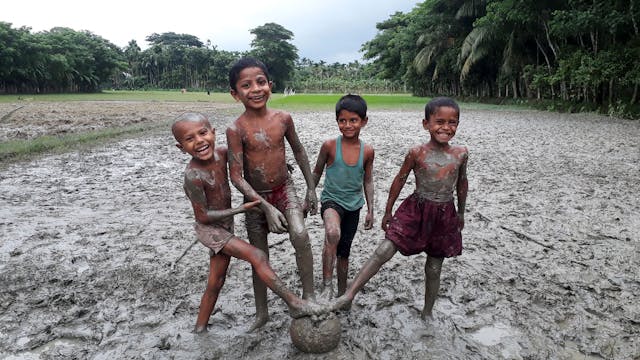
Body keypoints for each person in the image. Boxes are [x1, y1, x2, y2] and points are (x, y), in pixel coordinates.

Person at [171, 112, 320, 333]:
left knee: (216, 280)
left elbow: (248, 162)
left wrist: (279, 165)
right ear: (181, 147)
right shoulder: (193, 175)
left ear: (213, 133)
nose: (199, 141)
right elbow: (202, 217)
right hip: (211, 231)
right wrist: (240, 209)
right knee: (258, 256)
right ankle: (294, 303)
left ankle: (199, 328)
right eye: (190, 139)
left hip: (225, 226)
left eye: (202, 133)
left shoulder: (223, 154)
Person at [332, 97, 468, 319]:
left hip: (444, 213)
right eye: (439, 122)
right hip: (416, 208)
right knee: (384, 250)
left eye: (452, 122)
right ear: (426, 124)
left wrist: (461, 212)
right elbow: (400, 179)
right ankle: (349, 294)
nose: (445, 127)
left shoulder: (461, 153)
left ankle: (427, 312)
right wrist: (388, 210)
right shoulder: (417, 152)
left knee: (434, 267)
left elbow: (462, 183)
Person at [225, 58, 317, 331]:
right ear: (235, 93)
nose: (255, 89)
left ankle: (309, 295)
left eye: (261, 82)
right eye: (246, 85)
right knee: (259, 257)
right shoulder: (236, 129)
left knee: (300, 235)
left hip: (284, 189)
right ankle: (261, 312)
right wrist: (265, 206)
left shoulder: (283, 119)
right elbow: (236, 176)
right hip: (255, 200)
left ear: (270, 86)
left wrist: (311, 188)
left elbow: (299, 151)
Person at [311, 94, 375, 299]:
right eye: (342, 120)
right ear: (337, 121)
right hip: (331, 201)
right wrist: (309, 196)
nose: (347, 125)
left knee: (344, 252)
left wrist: (371, 210)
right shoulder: (329, 146)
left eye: (353, 120)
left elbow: (368, 180)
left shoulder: (367, 151)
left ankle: (341, 292)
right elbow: (316, 172)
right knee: (332, 233)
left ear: (364, 122)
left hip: (354, 206)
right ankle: (327, 286)